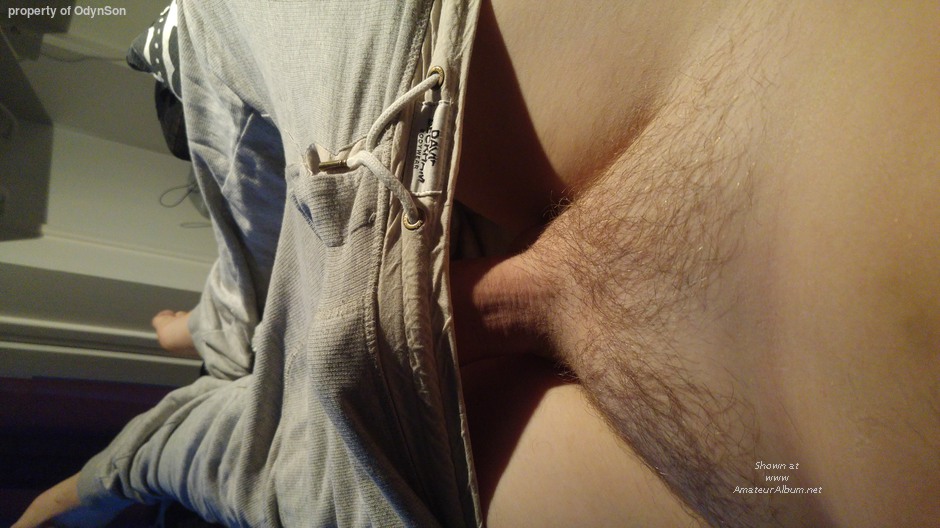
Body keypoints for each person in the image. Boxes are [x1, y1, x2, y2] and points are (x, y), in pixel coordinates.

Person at [16, 0, 939, 527]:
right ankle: (213, 326)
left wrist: (109, 474)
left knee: (261, 462)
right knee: (225, 36)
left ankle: (206, 340)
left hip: (437, 449)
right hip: (430, 83)